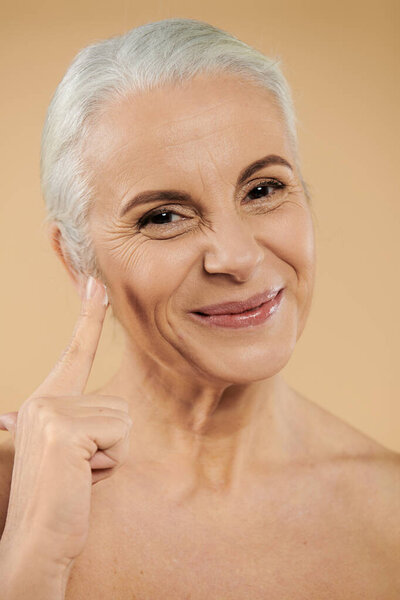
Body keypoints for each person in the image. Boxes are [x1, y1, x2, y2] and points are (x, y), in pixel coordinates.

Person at [0, 17, 399, 599]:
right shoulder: (12, 498)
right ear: (77, 260)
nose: (237, 257)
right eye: (162, 216)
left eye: (263, 189)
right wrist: (31, 558)